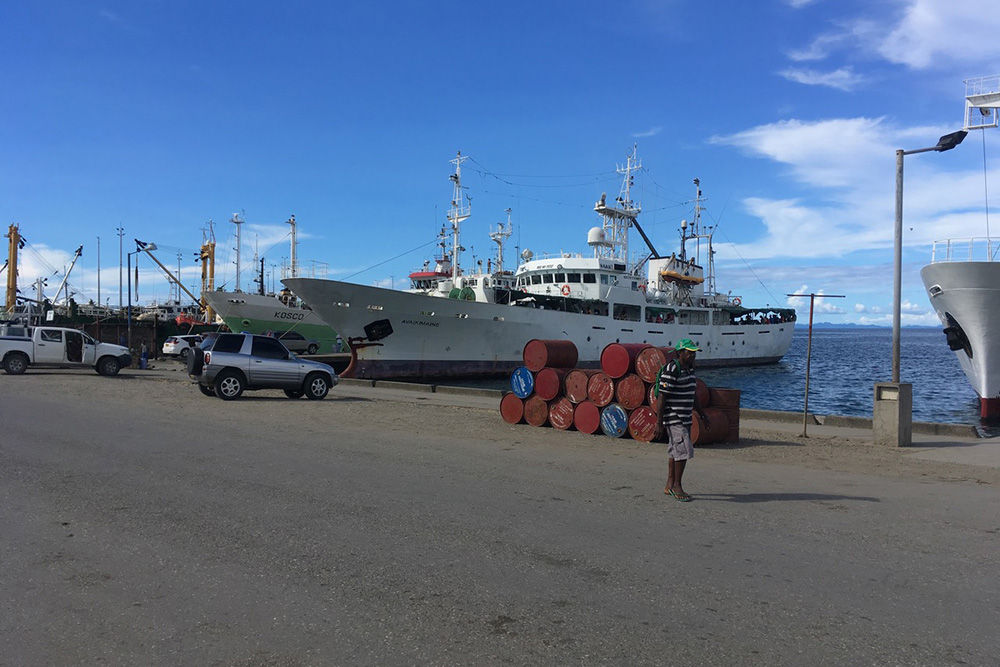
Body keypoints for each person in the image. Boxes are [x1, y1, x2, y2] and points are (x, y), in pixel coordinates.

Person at [654, 338, 708, 502]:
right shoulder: (672, 369)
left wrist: (703, 415)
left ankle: (669, 485)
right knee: (683, 451)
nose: (692, 355)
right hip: (674, 417)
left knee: (675, 452)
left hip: (684, 418)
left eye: (694, 353)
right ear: (680, 353)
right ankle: (678, 486)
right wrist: (659, 422)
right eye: (689, 352)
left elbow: (693, 396)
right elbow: (662, 397)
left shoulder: (689, 369)